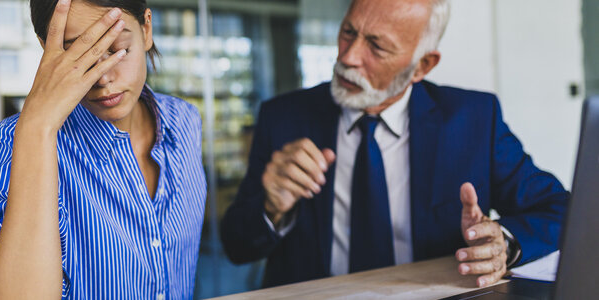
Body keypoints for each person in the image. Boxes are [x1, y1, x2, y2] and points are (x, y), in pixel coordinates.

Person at [221, 0, 568, 289]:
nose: (349, 57)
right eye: (348, 32)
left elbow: (561, 208)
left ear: (422, 65)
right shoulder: (283, 116)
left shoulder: (474, 120)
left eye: (377, 46)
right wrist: (271, 208)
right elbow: (236, 246)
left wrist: (503, 244)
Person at [0, 0, 206, 298]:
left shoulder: (184, 121)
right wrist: (37, 129)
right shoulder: (15, 142)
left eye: (118, 50)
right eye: (80, 55)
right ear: (47, 51)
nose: (104, 78)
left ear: (146, 29)